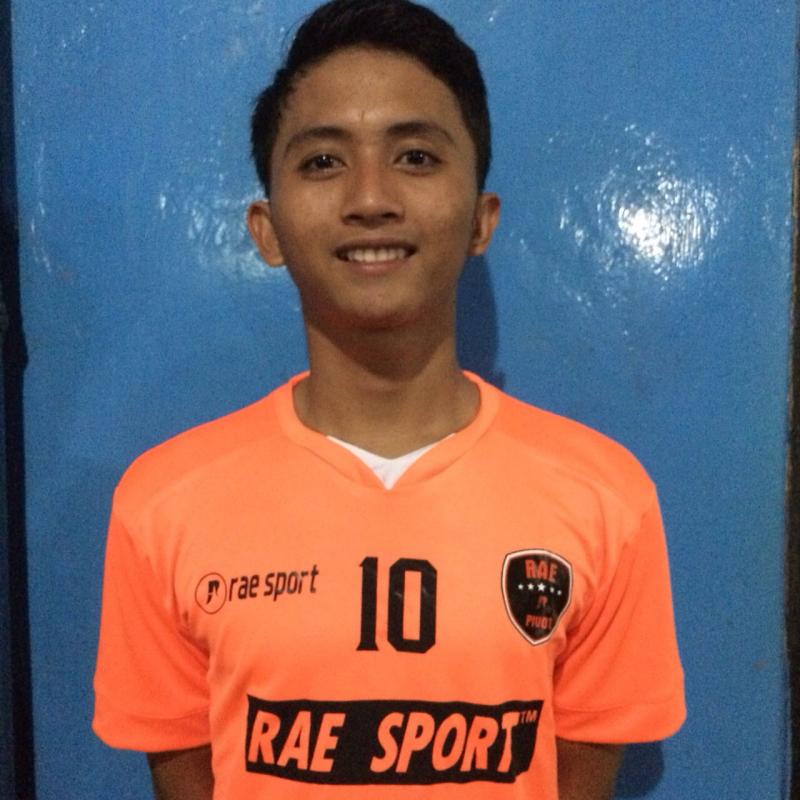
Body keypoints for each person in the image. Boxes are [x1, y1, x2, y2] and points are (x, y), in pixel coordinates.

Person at [92, 1, 685, 798]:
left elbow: (581, 768)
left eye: (415, 156)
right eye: (322, 162)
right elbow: (182, 767)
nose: (370, 198)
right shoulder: (163, 504)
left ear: (480, 220)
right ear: (266, 229)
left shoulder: (606, 500)